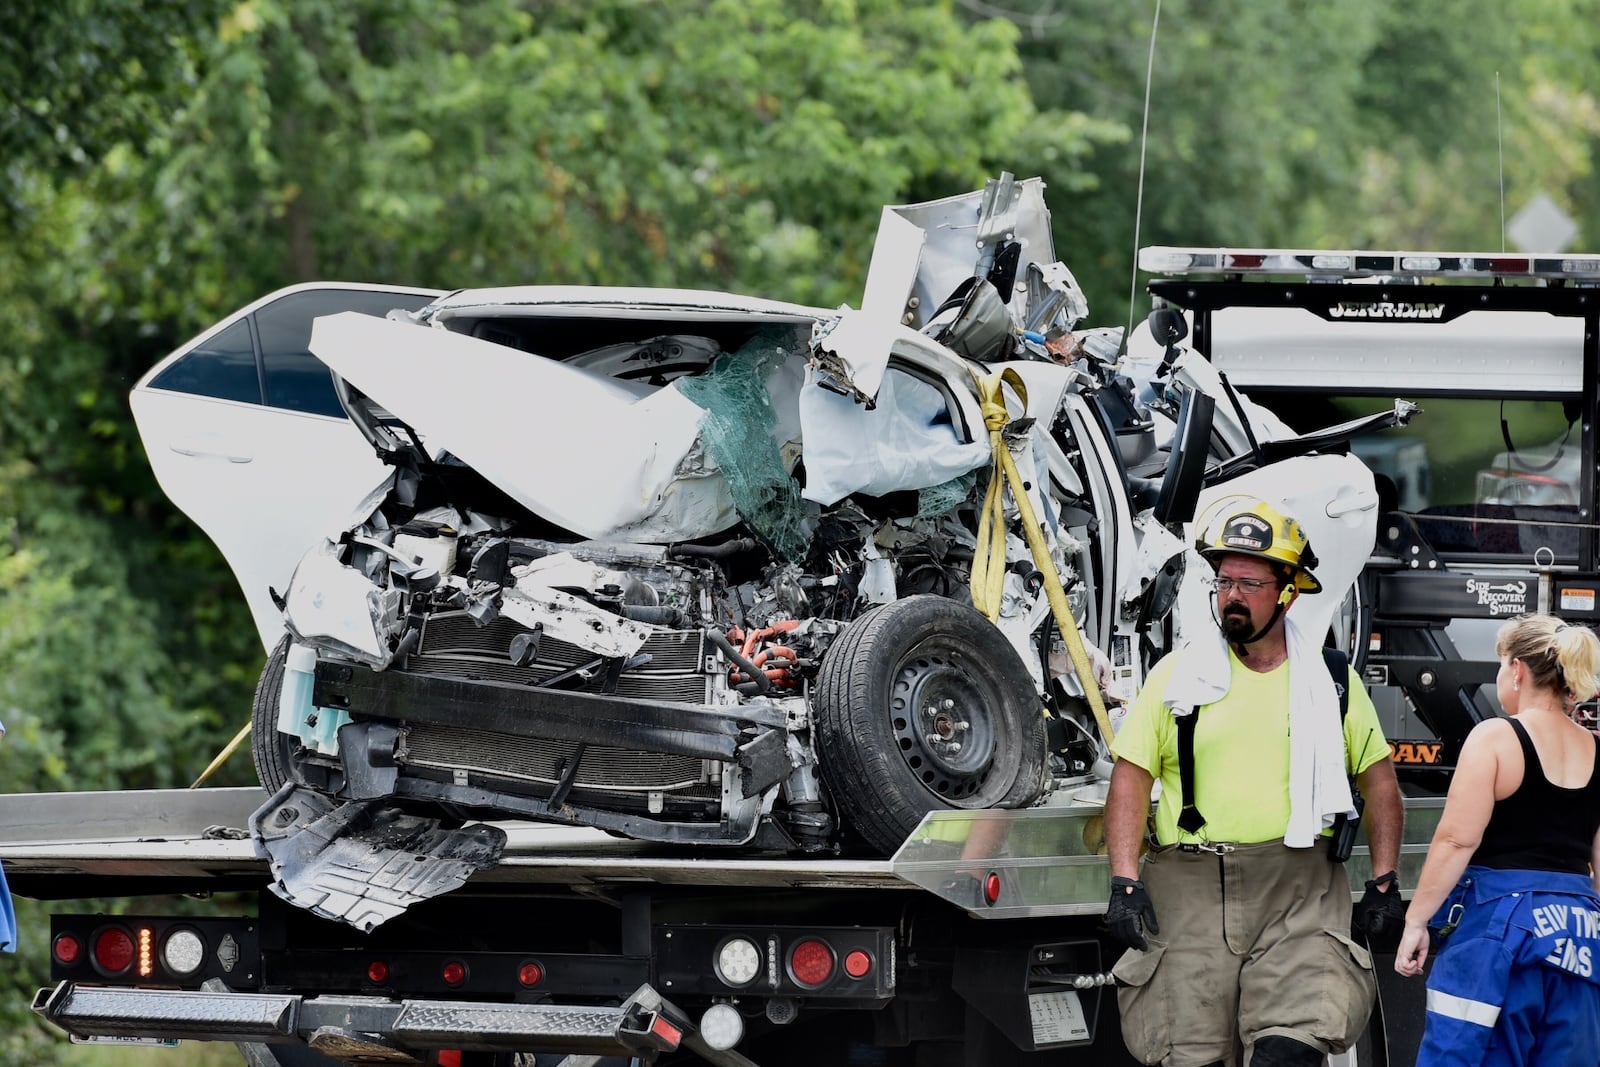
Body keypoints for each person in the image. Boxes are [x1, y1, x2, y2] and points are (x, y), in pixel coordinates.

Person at [1102, 500, 1404, 1067]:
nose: (1231, 595)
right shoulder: (1176, 678)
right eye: (1223, 581)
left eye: (1248, 581)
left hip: (1300, 891)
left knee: (1288, 1053)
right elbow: (1131, 778)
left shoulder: (1332, 681)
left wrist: (1386, 881)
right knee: (1191, 1057)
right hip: (1187, 890)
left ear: (1288, 591)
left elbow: (1380, 781)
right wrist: (1123, 882)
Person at [1393, 613, 1600, 1066]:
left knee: (1467, 1054)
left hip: (1501, 929)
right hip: (1579, 932)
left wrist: (1416, 922)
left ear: (1518, 670)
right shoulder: (1596, 749)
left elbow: (1455, 841)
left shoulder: (1495, 737)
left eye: (1500, 664)